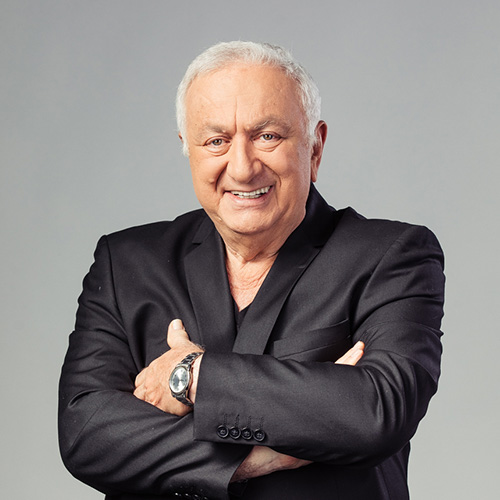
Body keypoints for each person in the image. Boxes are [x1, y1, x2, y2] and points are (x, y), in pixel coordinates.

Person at [59, 41, 445, 500]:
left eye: (268, 136)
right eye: (216, 141)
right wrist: (263, 455)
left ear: (315, 147)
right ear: (188, 150)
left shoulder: (391, 256)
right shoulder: (126, 262)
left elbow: (376, 410)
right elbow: (86, 432)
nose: (242, 168)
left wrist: (193, 377)